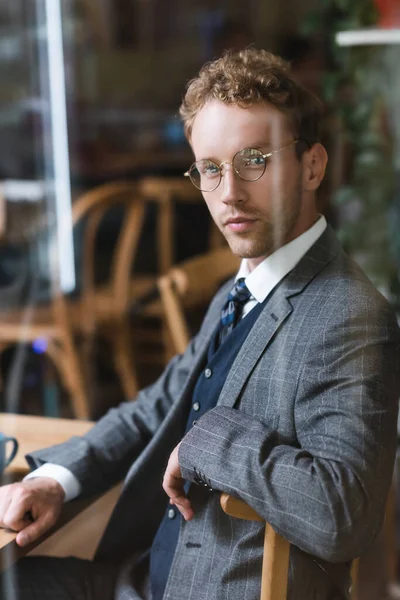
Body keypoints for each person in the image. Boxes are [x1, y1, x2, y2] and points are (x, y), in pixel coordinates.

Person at [1, 48, 399, 600]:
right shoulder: (240, 289)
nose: (229, 192)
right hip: (141, 578)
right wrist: (54, 479)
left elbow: (341, 515)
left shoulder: (349, 315)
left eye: (254, 159)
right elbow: (157, 406)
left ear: (313, 165)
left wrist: (206, 438)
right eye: (210, 169)